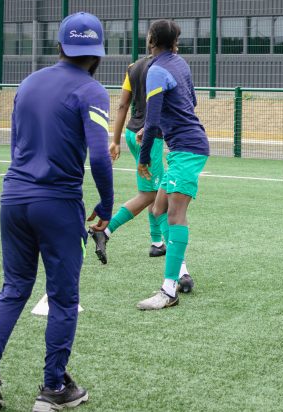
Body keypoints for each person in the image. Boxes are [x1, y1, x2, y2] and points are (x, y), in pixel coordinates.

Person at [0, 12, 113, 410]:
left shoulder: (28, 83)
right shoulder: (92, 90)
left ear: (60, 46)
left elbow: (17, 144)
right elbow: (99, 155)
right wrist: (107, 203)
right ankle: (52, 388)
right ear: (98, 53)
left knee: (13, 288)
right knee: (63, 298)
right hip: (58, 203)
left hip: (13, 198)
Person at [89, 52, 194, 292]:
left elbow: (123, 104)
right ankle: (179, 269)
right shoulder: (163, 68)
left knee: (152, 191)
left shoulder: (133, 67)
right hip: (150, 136)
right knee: (159, 196)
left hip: (131, 133)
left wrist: (114, 140)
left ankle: (157, 242)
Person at [135, 20, 209, 310]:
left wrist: (143, 157)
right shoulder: (180, 62)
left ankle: (168, 292)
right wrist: (161, 129)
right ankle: (181, 272)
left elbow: (152, 119)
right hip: (186, 146)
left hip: (187, 149)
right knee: (159, 209)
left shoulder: (155, 70)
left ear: (151, 39)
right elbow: (190, 102)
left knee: (175, 216)